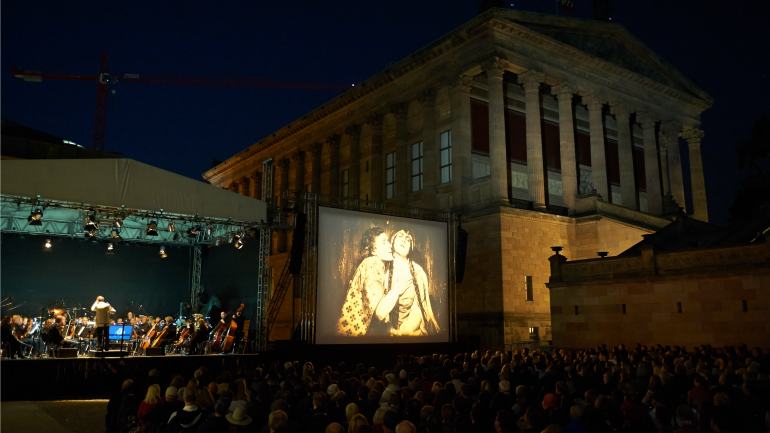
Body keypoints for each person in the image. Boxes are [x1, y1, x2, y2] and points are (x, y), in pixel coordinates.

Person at [376, 230, 439, 336]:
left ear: (410, 248)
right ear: (393, 242)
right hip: (385, 332)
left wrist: (409, 327)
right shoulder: (382, 267)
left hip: (412, 331)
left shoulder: (417, 271)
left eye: (408, 239)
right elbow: (378, 310)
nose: (404, 240)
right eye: (400, 236)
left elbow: (419, 306)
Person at [336, 227, 394, 337]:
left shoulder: (380, 266)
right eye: (384, 241)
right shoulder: (371, 262)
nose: (390, 245)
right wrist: (398, 289)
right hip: (356, 337)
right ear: (373, 250)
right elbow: (381, 313)